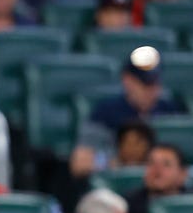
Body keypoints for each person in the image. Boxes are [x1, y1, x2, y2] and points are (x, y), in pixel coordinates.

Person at [70, 46, 184, 178]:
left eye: (155, 83)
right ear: (127, 80)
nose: (152, 90)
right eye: (145, 84)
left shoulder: (172, 111)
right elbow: (79, 163)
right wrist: (113, 162)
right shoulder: (106, 112)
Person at [126, 144, 191, 213]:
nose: (157, 169)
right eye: (151, 163)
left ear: (183, 174)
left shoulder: (191, 205)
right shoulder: (126, 205)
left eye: (166, 164)